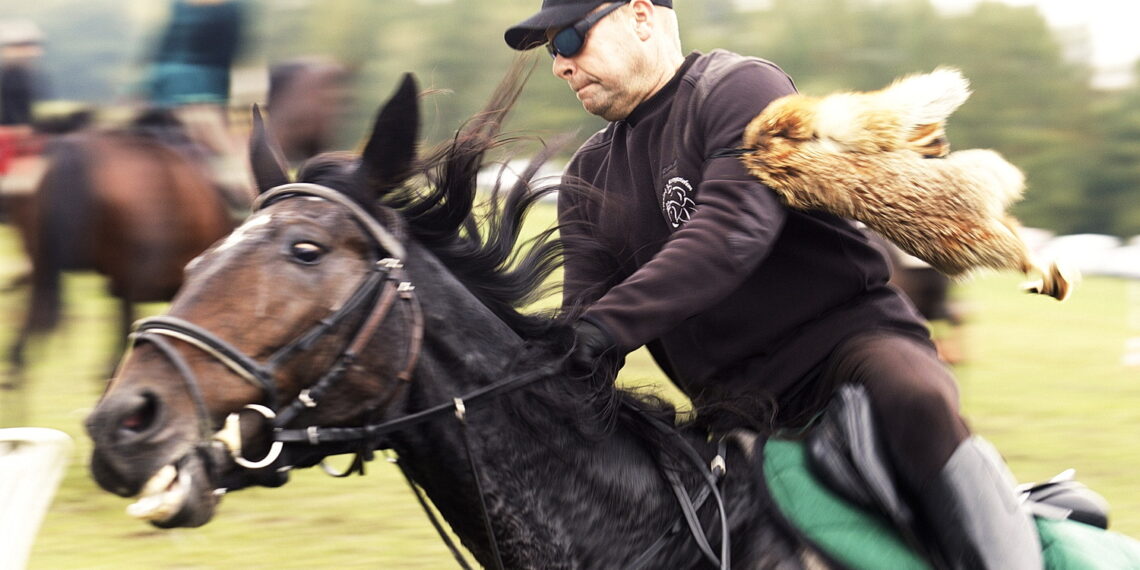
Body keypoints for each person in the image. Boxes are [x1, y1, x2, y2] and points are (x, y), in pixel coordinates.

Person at [504, 2, 1040, 568]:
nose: (560, 64)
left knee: (918, 396)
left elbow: (730, 235)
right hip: (731, 411)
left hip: (848, 355)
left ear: (640, 16)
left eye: (568, 39)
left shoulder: (738, 88)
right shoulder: (585, 178)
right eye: (550, 53)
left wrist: (602, 328)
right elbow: (583, 322)